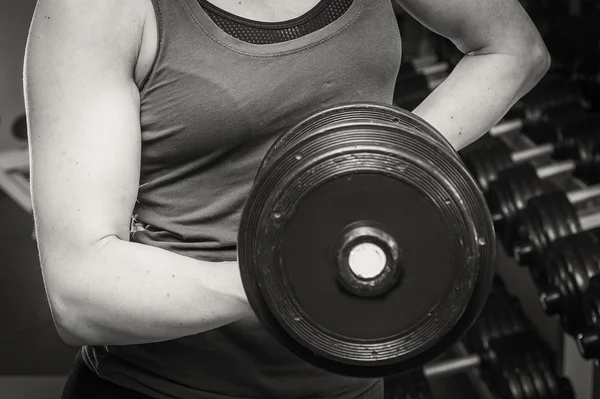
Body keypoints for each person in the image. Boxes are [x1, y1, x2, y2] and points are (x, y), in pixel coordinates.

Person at [23, 0, 550, 397]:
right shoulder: (96, 9)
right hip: (166, 389)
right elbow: (80, 295)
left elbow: (513, 51)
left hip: (351, 382)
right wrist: (289, 278)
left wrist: (378, 158)